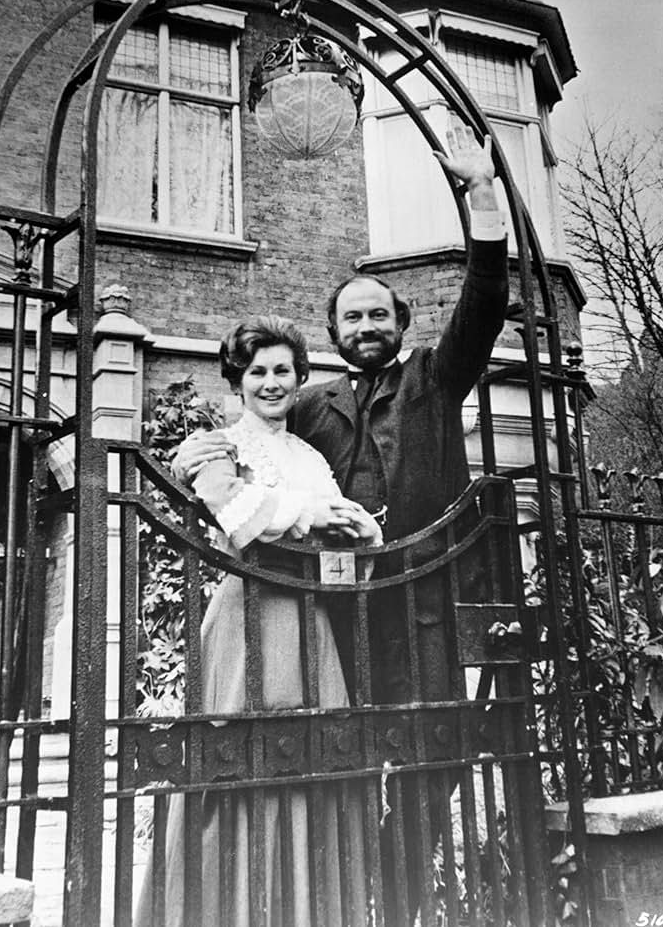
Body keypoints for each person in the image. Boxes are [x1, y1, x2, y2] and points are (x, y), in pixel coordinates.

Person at [173, 121, 510, 924]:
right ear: (334, 337)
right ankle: (338, 894)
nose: (365, 328)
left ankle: (401, 883)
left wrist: (481, 194)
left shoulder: (436, 375)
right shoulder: (311, 407)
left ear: (399, 323)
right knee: (333, 760)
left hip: (424, 607)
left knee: (439, 753)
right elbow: (252, 444)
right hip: (334, 617)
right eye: (351, 320)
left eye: (377, 316)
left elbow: (486, 303)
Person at [135, 315, 381, 927]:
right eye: (257, 372)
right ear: (238, 381)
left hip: (313, 622)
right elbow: (239, 516)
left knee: (312, 760)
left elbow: (342, 541)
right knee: (239, 762)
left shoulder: (311, 456)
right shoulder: (217, 446)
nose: (271, 383)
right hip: (249, 616)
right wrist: (311, 517)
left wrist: (365, 532)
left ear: (300, 379)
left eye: (282, 372)